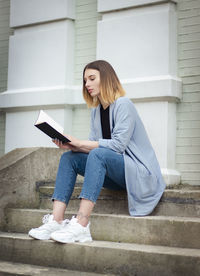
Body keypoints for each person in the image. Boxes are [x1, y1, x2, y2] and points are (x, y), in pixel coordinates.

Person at [28, 60, 166, 243]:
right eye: (85, 80)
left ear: (107, 79)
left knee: (97, 154)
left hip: (139, 174)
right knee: (69, 158)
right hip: (115, 174)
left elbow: (117, 146)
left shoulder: (124, 104)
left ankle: (82, 224)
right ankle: (56, 220)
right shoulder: (96, 111)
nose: (87, 84)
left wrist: (81, 143)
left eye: (92, 78)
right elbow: (93, 144)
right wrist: (73, 145)